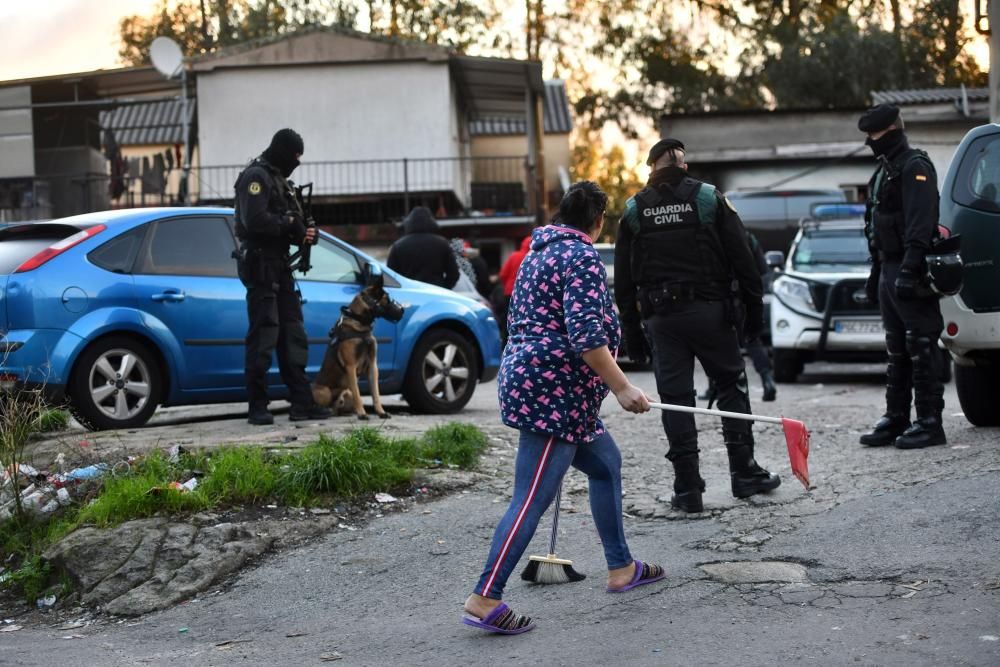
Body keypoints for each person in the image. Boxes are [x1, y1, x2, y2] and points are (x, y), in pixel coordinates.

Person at [463, 181, 665, 636]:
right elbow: (587, 338)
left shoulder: (537, 253)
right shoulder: (582, 258)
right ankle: (485, 597)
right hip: (555, 396)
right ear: (598, 222)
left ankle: (621, 568)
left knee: (606, 464)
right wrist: (623, 388)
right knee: (531, 497)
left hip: (552, 390)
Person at [614, 138, 780, 514]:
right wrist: (754, 313)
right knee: (731, 387)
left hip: (662, 319)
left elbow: (623, 280)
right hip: (711, 313)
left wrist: (632, 334)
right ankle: (744, 472)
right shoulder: (708, 198)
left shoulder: (634, 210)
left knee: (676, 399)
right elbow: (743, 258)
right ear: (683, 167)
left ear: (651, 169)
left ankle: (687, 488)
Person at [858, 104, 946, 449]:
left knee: (921, 345)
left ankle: (929, 422)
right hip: (888, 267)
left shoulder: (915, 167)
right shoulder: (884, 172)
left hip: (912, 267)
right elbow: (877, 227)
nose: (869, 141)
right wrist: (876, 271)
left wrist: (910, 269)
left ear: (893, 130)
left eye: (874, 134)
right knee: (897, 349)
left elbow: (920, 224)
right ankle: (897, 417)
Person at [234, 128, 332, 425]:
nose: (296, 163)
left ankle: (302, 401)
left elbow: (296, 223)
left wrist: (305, 233)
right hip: (261, 264)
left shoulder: (280, 180)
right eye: (294, 157)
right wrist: (288, 223)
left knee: (293, 333)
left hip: (281, 265)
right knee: (264, 334)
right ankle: (258, 405)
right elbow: (255, 220)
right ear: (282, 151)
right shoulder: (256, 177)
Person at [700, 231, 777, 405]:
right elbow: (762, 270)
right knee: (753, 341)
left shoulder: (708, 235)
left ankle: (714, 387)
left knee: (713, 345)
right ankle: (767, 380)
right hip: (742, 298)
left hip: (716, 299)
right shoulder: (747, 237)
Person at [386, 206, 459, 288]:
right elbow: (454, 274)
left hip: (409, 294)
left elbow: (390, 276)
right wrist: (443, 288)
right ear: (432, 222)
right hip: (436, 293)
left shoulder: (398, 246)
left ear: (409, 223)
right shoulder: (442, 244)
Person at [493, 235, 532, 342]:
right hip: (525, 295)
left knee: (508, 320)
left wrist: (507, 285)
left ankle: (506, 344)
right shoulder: (534, 257)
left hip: (509, 292)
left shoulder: (514, 256)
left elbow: (502, 274)